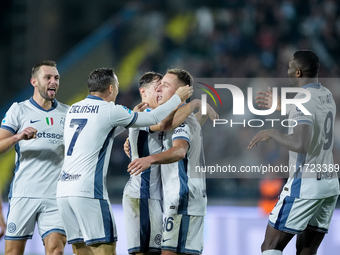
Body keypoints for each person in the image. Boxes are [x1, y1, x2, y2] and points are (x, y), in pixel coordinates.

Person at [56, 67, 192, 255]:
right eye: (117, 86)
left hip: (64, 191)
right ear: (111, 89)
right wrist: (178, 98)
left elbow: (100, 131)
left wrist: (130, 128)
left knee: (81, 251)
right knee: (106, 249)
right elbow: (154, 118)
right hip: (88, 191)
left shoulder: (73, 109)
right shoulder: (111, 110)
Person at [248, 50, 339, 255]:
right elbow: (310, 114)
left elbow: (301, 144)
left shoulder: (302, 99)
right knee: (307, 249)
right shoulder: (325, 95)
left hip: (305, 185)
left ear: (298, 72)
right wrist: (283, 106)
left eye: (289, 67)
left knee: (270, 247)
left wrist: (271, 132)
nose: (286, 71)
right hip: (329, 184)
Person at [123, 71, 216, 255]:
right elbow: (166, 126)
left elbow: (180, 142)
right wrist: (196, 105)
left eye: (164, 86)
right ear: (143, 91)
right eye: (157, 87)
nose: (159, 91)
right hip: (145, 196)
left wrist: (198, 109)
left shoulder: (178, 120)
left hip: (181, 199)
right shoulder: (144, 113)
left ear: (181, 91)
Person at [0, 60, 68, 255]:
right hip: (24, 193)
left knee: (56, 249)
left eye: (56, 78)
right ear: (34, 82)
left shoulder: (68, 113)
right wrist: (18, 136)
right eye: (48, 77)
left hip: (55, 195)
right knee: (13, 252)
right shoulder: (18, 110)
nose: (53, 81)